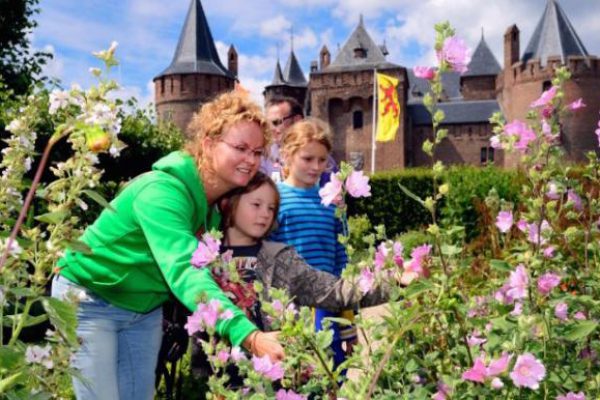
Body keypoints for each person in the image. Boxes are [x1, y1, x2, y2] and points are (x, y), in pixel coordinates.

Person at [51, 91, 284, 400]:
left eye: (257, 151)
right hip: (88, 298)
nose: (251, 160)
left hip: (143, 309)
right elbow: (185, 270)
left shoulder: (212, 207)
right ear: (208, 144)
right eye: (240, 148)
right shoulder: (162, 193)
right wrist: (250, 337)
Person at [191, 172, 389, 387]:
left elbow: (334, 290)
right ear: (227, 203)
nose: (265, 214)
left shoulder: (279, 257)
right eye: (256, 204)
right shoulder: (203, 257)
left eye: (271, 208)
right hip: (220, 382)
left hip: (277, 381)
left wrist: (394, 281)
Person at [269, 118, 356, 373]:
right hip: (290, 306)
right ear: (287, 155)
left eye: (322, 160)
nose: (316, 166)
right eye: (307, 159)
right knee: (295, 375)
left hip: (327, 306)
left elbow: (343, 263)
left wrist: (349, 326)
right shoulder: (274, 198)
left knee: (331, 372)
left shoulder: (332, 202)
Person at [261, 97, 304, 182]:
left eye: (276, 122)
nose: (271, 129)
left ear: (297, 121)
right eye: (267, 124)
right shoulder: (263, 156)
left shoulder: (317, 155)